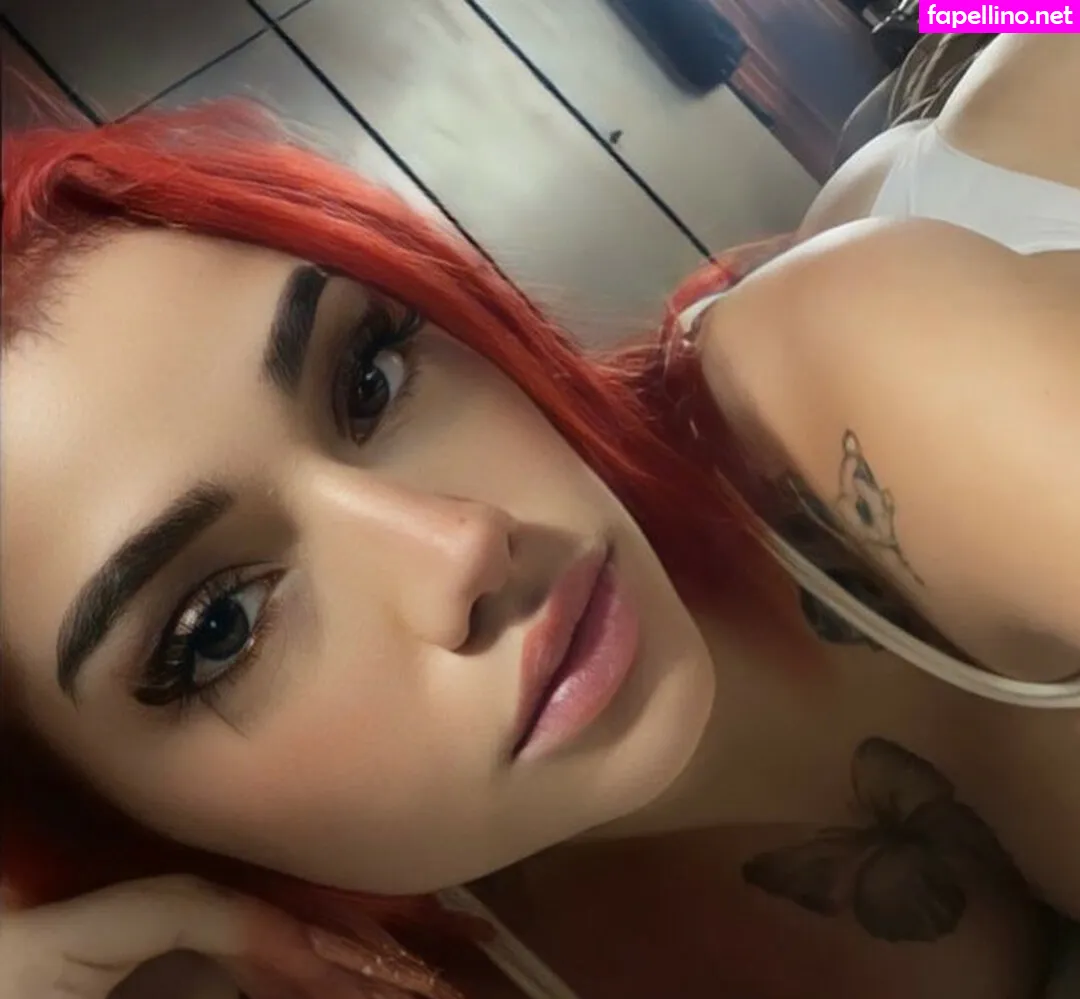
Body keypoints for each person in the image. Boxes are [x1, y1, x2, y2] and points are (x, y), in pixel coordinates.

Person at [2, 32, 1078, 999]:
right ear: (115, 823)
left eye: (371, 379)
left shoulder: (870, 370)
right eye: (218, 628)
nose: (463, 543)